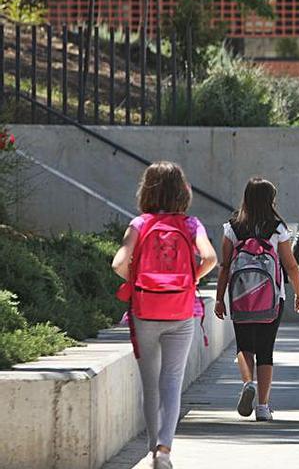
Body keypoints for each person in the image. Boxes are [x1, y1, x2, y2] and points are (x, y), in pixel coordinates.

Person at [112, 161, 218, 469]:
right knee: (172, 381)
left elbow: (118, 263)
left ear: (147, 189)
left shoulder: (139, 223)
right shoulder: (191, 224)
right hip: (180, 309)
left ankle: (150, 449)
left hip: (145, 307)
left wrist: (135, 280)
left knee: (150, 383)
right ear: (182, 191)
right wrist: (192, 278)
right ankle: (164, 451)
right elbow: (210, 257)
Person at [214, 178, 299, 422]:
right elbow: (291, 265)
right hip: (272, 298)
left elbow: (224, 267)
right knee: (266, 351)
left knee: (244, 346)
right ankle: (263, 406)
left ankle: (247, 383)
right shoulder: (277, 228)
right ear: (270, 201)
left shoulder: (232, 227)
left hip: (241, 297)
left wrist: (219, 299)